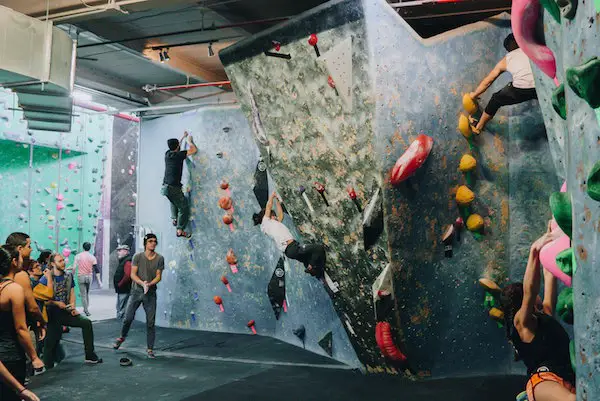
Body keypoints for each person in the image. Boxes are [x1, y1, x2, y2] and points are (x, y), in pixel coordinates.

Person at [500, 222, 576, 401]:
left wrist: (549, 239)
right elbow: (530, 290)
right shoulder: (521, 323)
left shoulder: (544, 316)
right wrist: (534, 251)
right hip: (543, 380)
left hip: (568, 377)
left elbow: (549, 274)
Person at [38, 253, 102, 368]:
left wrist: (72, 307)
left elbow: (72, 293)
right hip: (51, 313)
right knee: (51, 342)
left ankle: (90, 355)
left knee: (86, 322)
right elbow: (43, 300)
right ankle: (48, 368)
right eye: (60, 261)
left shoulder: (68, 276)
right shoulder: (45, 278)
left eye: (63, 260)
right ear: (52, 263)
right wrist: (57, 303)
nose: (63, 263)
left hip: (65, 312)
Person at [468, 33, 537, 134]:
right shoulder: (531, 46)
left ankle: (479, 127)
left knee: (496, 99)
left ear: (510, 46)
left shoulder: (507, 58)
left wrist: (474, 95)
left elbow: (488, 81)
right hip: (541, 85)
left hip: (522, 88)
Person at [0, 245, 42, 400]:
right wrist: (34, 357)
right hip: (11, 356)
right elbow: (20, 328)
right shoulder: (14, 289)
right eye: (21, 257)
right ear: (13, 261)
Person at [253, 192, 327, 278]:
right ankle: (311, 267)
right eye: (273, 215)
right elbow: (268, 206)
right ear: (268, 217)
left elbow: (281, 215)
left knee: (307, 258)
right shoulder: (266, 224)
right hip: (291, 248)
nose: (276, 217)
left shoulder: (273, 224)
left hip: (291, 249)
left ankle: (315, 271)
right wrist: (272, 196)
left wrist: (277, 200)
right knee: (318, 249)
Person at [113, 234, 164, 359]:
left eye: (155, 241)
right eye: (150, 241)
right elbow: (133, 274)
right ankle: (122, 337)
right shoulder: (137, 257)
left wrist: (150, 284)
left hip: (150, 294)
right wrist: (142, 283)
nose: (153, 243)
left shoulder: (160, 258)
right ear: (145, 243)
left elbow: (158, 276)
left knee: (150, 323)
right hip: (136, 292)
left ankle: (150, 349)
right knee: (127, 318)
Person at [161, 131, 197, 239]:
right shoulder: (178, 155)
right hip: (173, 188)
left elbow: (177, 146)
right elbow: (194, 150)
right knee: (183, 206)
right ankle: (180, 230)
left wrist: (182, 137)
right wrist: (190, 141)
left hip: (165, 187)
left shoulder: (168, 154)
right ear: (177, 147)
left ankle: (174, 218)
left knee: (173, 200)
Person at [74, 242, 100, 316]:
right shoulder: (92, 257)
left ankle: (86, 310)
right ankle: (86, 309)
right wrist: (99, 281)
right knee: (87, 293)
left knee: (83, 294)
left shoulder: (78, 256)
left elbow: (74, 267)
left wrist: (72, 273)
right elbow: (96, 269)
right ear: (89, 248)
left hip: (81, 276)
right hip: (89, 277)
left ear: (83, 247)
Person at [113, 244, 132, 320]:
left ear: (125, 251)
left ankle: (120, 321)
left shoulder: (127, 261)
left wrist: (120, 284)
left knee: (121, 306)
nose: (118, 252)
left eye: (120, 251)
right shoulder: (124, 261)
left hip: (124, 288)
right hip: (122, 288)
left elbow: (127, 275)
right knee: (120, 305)